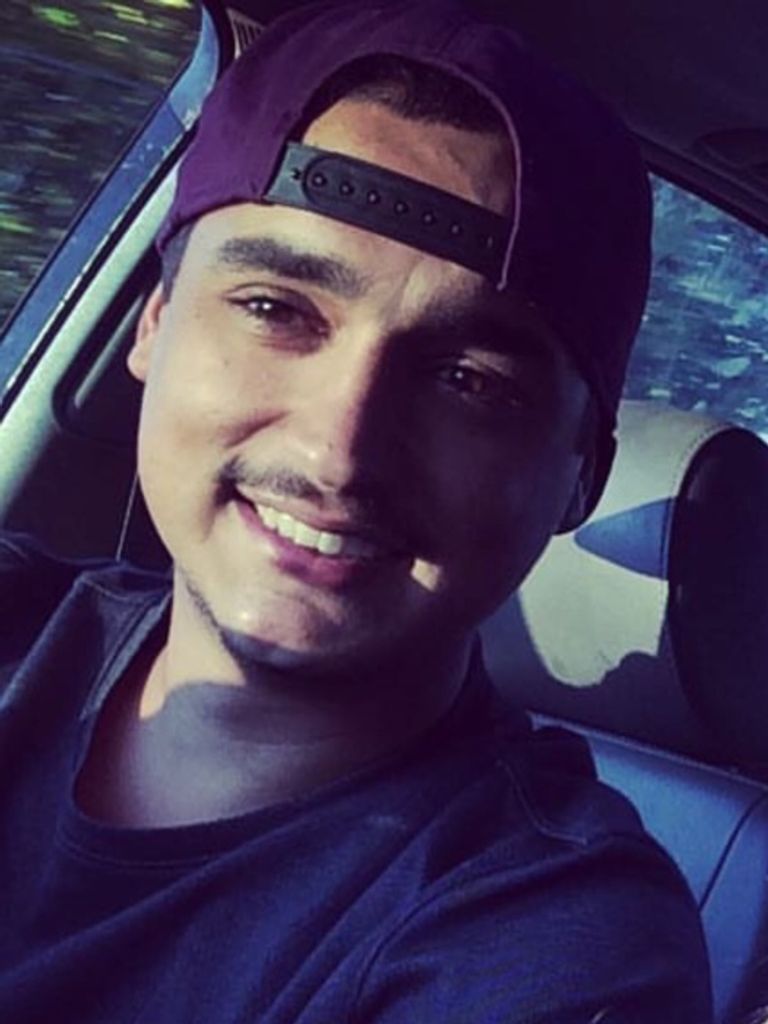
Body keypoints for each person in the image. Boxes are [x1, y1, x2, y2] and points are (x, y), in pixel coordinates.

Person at [0, 1, 713, 1021]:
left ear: (580, 479)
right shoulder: (17, 620)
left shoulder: (549, 936)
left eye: (469, 380)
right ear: (154, 326)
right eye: (275, 310)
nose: (337, 452)